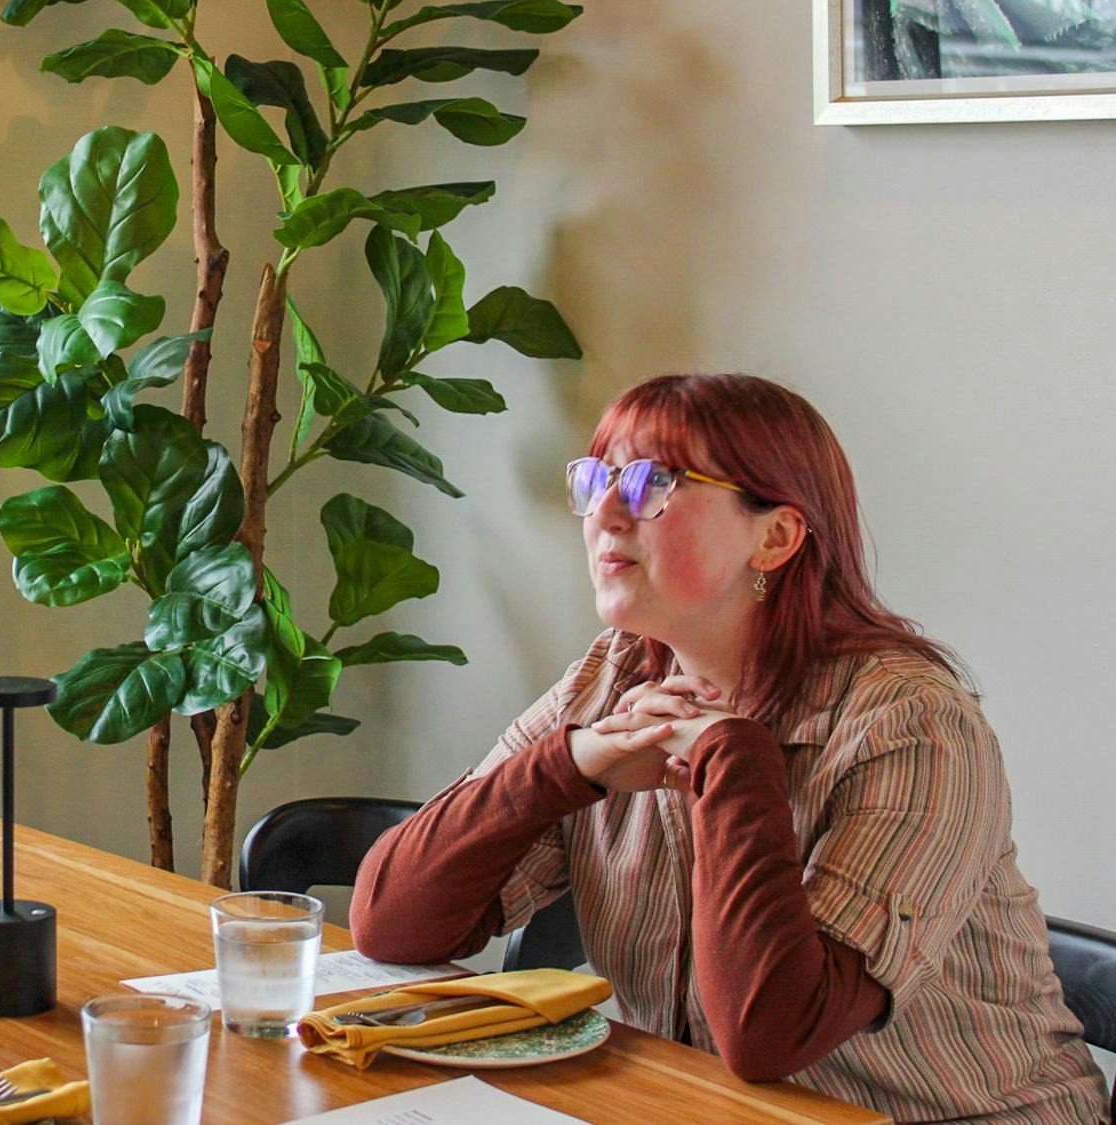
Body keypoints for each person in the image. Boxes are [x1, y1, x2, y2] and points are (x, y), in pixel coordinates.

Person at [350, 373, 1108, 1123]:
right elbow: (392, 924)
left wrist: (732, 759)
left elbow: (770, 1030)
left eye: (655, 482)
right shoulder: (612, 672)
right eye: (599, 478)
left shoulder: (913, 722)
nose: (605, 512)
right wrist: (569, 762)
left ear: (774, 536)